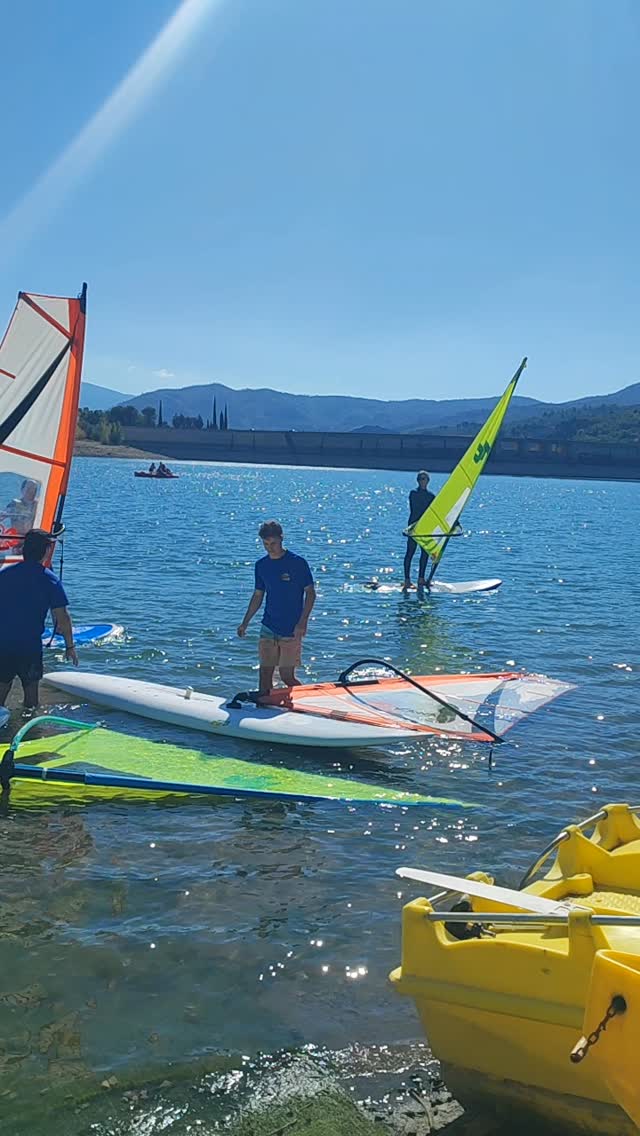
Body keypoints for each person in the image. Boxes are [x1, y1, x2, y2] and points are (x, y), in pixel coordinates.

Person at [0, 528, 78, 707]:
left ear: (22, 549)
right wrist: (70, 646)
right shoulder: (49, 580)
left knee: (2, 690)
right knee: (31, 697)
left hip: (3, 644)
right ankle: (30, 730)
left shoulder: (4, 575)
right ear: (46, 551)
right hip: (29, 648)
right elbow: (63, 618)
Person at [237, 520, 315, 694]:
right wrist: (245, 622)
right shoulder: (261, 565)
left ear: (281, 539)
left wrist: (303, 622)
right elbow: (258, 595)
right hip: (268, 626)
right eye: (265, 544)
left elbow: (310, 593)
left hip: (291, 628)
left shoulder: (297, 563)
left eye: (273, 543)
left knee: (287, 676)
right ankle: (264, 710)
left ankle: (308, 702)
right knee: (265, 675)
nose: (269, 548)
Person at [403, 471, 435, 589]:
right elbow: (416, 508)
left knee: (425, 553)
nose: (423, 481)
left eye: (425, 479)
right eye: (421, 479)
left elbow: (435, 513)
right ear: (418, 481)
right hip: (414, 527)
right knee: (410, 553)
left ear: (428, 481)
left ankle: (421, 579)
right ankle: (407, 580)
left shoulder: (431, 496)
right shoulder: (413, 493)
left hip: (425, 528)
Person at [0, 478, 39, 555]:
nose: (31, 491)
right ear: (22, 490)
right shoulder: (14, 504)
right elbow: (3, 514)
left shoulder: (39, 505)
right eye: (28, 488)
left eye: (34, 489)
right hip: (17, 541)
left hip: (33, 541)